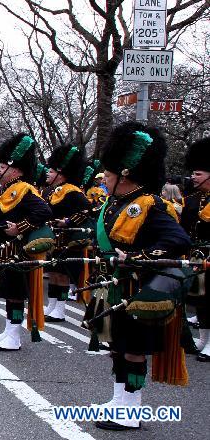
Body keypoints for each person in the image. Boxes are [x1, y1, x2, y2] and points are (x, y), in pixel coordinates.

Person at [90, 122, 190, 431]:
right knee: (116, 346)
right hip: (112, 284)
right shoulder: (116, 202)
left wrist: (137, 258)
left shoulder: (149, 205)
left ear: (127, 172)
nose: (104, 177)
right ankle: (119, 399)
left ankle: (132, 408)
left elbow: (178, 241)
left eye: (108, 173)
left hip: (136, 287)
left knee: (133, 349)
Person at [0, 133, 53, 352]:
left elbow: (44, 211)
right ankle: (8, 331)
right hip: (2, 250)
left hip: (16, 251)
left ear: (15, 169)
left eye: (3, 165)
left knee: (15, 295)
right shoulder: (5, 189)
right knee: (7, 293)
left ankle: (14, 336)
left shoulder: (23, 189)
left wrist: (20, 227)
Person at [43, 145, 92, 323]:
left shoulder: (73, 191)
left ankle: (61, 309)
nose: (47, 173)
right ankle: (52, 304)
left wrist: (68, 221)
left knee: (63, 275)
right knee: (53, 274)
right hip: (53, 239)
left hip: (68, 240)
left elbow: (87, 210)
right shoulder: (51, 191)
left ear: (61, 172)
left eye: (51, 170)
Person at [182, 137, 210, 362]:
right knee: (200, 299)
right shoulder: (191, 200)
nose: (194, 177)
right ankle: (203, 338)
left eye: (198, 174)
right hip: (197, 255)